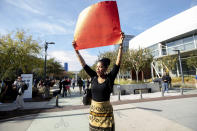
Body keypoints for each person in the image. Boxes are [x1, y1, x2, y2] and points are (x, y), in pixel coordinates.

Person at [72, 32, 124, 131]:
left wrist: (121, 45)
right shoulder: (94, 77)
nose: (97, 69)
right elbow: (83, 64)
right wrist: (76, 51)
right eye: (97, 67)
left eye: (100, 67)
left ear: (105, 68)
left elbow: (118, 63)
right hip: (94, 116)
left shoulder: (109, 78)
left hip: (106, 116)